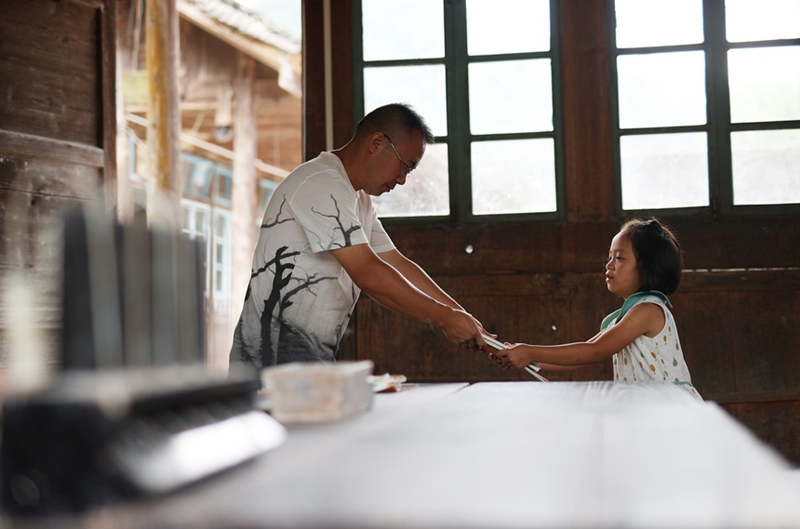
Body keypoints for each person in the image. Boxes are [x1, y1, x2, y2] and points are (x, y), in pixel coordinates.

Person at [230, 103, 487, 371]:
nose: (402, 180)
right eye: (405, 167)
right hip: (268, 361)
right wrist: (445, 318)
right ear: (376, 142)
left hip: (309, 360)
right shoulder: (320, 182)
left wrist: (461, 316)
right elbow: (368, 272)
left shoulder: (359, 199)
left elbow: (397, 264)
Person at [495, 217, 702, 400]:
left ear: (649, 266)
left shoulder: (648, 310)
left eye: (619, 258)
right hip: (649, 407)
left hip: (671, 406)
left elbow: (594, 351)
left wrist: (530, 353)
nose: (609, 265)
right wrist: (526, 358)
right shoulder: (628, 314)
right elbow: (580, 357)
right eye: (610, 257)